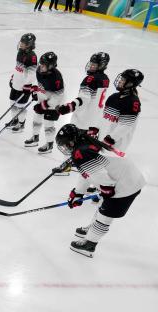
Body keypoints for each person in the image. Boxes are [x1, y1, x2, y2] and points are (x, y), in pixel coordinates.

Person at [55, 124, 145, 257]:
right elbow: (89, 173)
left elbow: (99, 175)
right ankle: (92, 229)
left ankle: (90, 244)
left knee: (105, 215)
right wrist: (78, 192)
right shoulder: (85, 141)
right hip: (127, 176)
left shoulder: (81, 152)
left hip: (124, 184)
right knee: (102, 207)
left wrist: (106, 189)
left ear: (72, 141)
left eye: (66, 144)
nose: (66, 147)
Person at [57, 52, 110, 134]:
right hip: (94, 121)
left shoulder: (90, 79)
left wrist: (70, 106)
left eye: (94, 65)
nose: (91, 66)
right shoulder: (105, 78)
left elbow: (84, 99)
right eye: (91, 63)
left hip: (82, 121)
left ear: (101, 66)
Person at [24, 51, 64, 154]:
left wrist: (45, 105)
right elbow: (40, 85)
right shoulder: (39, 70)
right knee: (36, 118)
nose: (41, 66)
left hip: (54, 102)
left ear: (50, 66)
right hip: (43, 98)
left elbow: (59, 95)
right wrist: (35, 91)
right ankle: (35, 138)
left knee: (48, 123)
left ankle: (49, 145)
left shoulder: (56, 77)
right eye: (41, 63)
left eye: (44, 65)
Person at [100, 68, 143, 152]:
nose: (120, 81)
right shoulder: (113, 97)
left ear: (130, 83)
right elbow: (104, 117)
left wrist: (110, 139)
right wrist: (95, 128)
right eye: (121, 79)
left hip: (115, 146)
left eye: (123, 80)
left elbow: (126, 125)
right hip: (102, 141)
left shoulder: (133, 102)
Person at [6, 33, 37, 132]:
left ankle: (21, 124)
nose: (21, 44)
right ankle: (15, 120)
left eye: (24, 42)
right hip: (16, 84)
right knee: (12, 103)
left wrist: (27, 86)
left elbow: (31, 74)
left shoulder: (32, 56)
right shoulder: (20, 52)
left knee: (20, 107)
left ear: (29, 44)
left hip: (24, 87)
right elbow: (17, 68)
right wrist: (13, 78)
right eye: (21, 42)